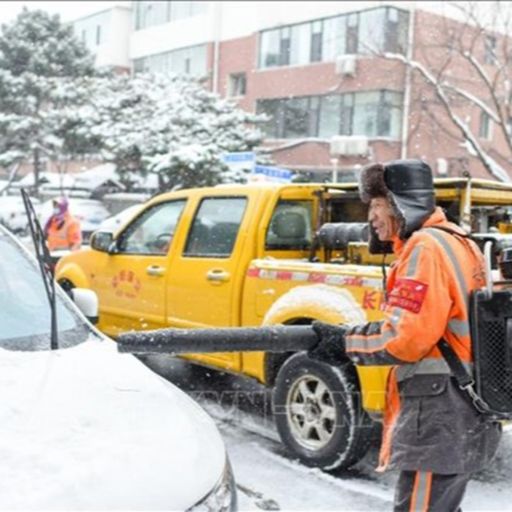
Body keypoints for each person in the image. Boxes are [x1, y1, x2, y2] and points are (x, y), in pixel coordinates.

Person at [308, 159, 502, 511]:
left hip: (438, 407)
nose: (371, 217)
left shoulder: (425, 248)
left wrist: (344, 343)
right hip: (463, 403)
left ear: (399, 204)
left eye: (377, 206)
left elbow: (406, 338)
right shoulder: (460, 241)